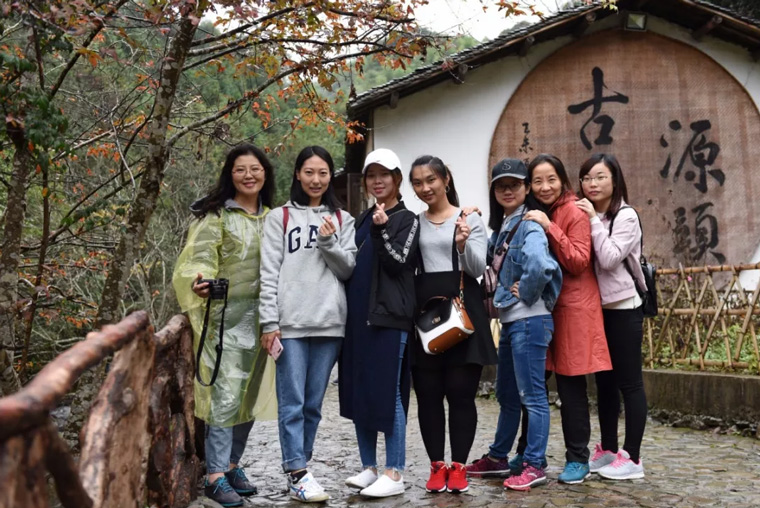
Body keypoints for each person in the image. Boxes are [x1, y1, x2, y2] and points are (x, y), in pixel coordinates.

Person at [172, 144, 278, 508]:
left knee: (248, 394)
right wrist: (200, 282)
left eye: (255, 168)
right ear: (230, 175)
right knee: (225, 395)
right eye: (240, 169)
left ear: (266, 173)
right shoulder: (216, 217)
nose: (249, 175)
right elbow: (197, 260)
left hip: (262, 319)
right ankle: (214, 475)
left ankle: (232, 465)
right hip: (225, 320)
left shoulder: (274, 218)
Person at [259, 146, 357, 502]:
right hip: (290, 324)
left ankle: (300, 467)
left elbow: (347, 269)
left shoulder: (343, 219)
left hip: (329, 322)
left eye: (323, 173)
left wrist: (328, 241)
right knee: (292, 402)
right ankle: (297, 471)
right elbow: (268, 272)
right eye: (309, 172)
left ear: (330, 176)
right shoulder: (279, 218)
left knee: (313, 404)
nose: (316, 179)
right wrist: (269, 322)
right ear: (298, 174)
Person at [465, 158, 562, 492]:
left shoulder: (530, 224)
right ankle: (498, 457)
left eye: (515, 185)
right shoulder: (505, 226)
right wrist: (473, 221)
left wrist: (528, 292)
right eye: (501, 186)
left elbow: (539, 265)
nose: (508, 190)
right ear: (494, 191)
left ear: (526, 188)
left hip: (530, 320)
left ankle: (534, 464)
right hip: (512, 322)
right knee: (507, 394)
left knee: (532, 396)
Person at [409, 155, 498, 495]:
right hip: (427, 312)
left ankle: (458, 466)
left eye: (431, 179)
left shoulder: (469, 218)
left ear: (446, 179)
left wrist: (461, 245)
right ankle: (436, 465)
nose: (425, 188)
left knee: (461, 395)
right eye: (418, 183)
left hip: (462, 309)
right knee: (429, 396)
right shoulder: (414, 223)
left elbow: (476, 269)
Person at [522, 154, 611, 484]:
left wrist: (550, 228)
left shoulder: (573, 211)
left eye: (551, 180)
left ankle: (578, 459)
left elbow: (578, 261)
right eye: (537, 181)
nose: (545, 187)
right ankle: (529, 454)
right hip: (545, 307)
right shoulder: (537, 211)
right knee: (534, 385)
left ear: (563, 180)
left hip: (573, 308)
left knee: (571, 387)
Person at [339, 148, 419, 498]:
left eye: (384, 174)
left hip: (390, 317)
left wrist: (382, 230)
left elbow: (398, 262)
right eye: (371, 175)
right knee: (361, 391)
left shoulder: (406, 219)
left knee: (389, 393)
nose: (377, 181)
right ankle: (369, 468)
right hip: (358, 318)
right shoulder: (361, 219)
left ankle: (394, 471)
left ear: (397, 179)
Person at [575, 153, 648, 480]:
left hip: (623, 308)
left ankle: (632, 457)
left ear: (614, 180)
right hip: (596, 310)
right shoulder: (587, 214)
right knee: (604, 384)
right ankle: (607, 449)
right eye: (587, 178)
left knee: (629, 383)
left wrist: (592, 219)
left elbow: (608, 259)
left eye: (600, 177)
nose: (592, 184)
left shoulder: (626, 216)